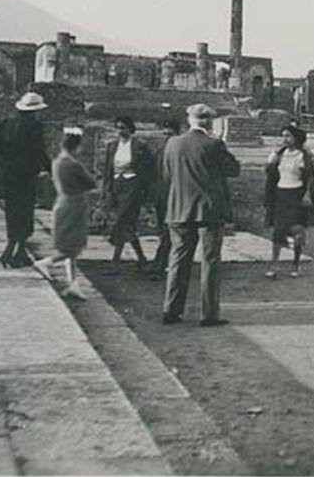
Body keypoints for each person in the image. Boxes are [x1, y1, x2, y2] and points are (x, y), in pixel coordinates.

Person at [161, 104, 241, 327]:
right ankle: (209, 314)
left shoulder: (173, 143)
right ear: (209, 121)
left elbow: (166, 176)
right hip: (208, 209)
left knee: (178, 259)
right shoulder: (214, 144)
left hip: (179, 208)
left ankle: (171, 310)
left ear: (189, 120)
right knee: (210, 261)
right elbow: (233, 170)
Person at [33, 128, 96, 299]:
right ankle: (45, 263)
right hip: (74, 205)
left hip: (62, 202)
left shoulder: (57, 161)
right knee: (71, 247)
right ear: (76, 146)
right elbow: (91, 183)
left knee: (71, 246)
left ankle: (72, 283)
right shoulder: (73, 164)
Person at [0, 92, 52, 268]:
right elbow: (38, 150)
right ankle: (15, 250)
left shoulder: (9, 124)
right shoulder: (34, 126)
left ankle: (14, 250)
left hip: (9, 173)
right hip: (26, 175)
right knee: (26, 211)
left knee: (13, 210)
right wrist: (50, 168)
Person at [264, 125, 314, 279]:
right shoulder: (279, 154)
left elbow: (310, 178)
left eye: (288, 136)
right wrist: (271, 162)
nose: (285, 139)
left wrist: (308, 196)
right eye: (283, 136)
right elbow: (270, 174)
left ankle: (296, 265)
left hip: (296, 195)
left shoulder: (304, 156)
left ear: (296, 138)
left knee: (298, 232)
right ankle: (274, 265)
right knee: (278, 232)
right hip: (280, 195)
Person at [102, 115, 155, 275]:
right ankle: (141, 258)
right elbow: (108, 171)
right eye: (117, 127)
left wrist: (146, 192)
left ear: (130, 128)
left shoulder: (140, 146)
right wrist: (107, 190)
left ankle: (115, 263)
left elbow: (149, 170)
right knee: (127, 225)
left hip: (133, 187)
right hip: (117, 186)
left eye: (123, 127)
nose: (120, 131)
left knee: (121, 221)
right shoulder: (112, 146)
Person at [148, 119, 181, 281]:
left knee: (169, 232)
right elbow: (154, 175)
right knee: (163, 231)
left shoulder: (180, 152)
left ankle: (160, 265)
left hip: (176, 197)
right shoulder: (160, 150)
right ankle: (161, 263)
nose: (167, 137)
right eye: (165, 134)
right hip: (162, 197)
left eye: (171, 134)